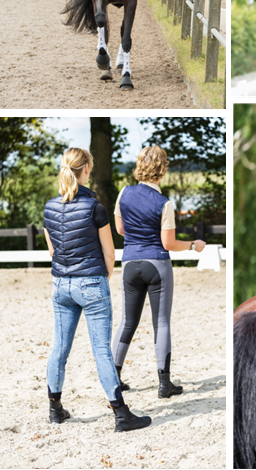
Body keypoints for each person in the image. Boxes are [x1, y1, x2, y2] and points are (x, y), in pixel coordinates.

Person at [43, 148, 151, 432]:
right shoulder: (95, 207)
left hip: (60, 285)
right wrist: (101, 279)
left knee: (60, 348)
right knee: (102, 351)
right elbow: (110, 254)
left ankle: (55, 408)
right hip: (91, 282)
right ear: (87, 169)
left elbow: (53, 251)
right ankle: (121, 413)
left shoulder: (49, 207)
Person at [111, 145, 205, 400]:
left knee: (127, 322)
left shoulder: (124, 193)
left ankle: (114, 378)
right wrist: (192, 245)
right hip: (157, 265)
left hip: (130, 264)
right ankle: (164, 384)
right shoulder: (165, 203)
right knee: (161, 323)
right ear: (162, 170)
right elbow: (168, 243)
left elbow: (120, 229)